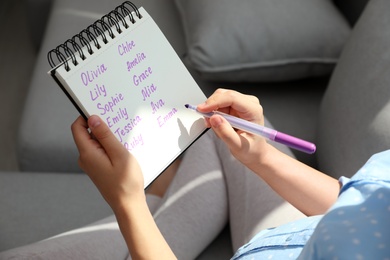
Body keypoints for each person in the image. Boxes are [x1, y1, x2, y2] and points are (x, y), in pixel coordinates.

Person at [1, 89, 388, 259]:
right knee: (215, 128)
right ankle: (161, 200)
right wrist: (261, 158)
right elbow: (362, 206)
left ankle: (156, 202)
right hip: (286, 239)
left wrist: (128, 206)